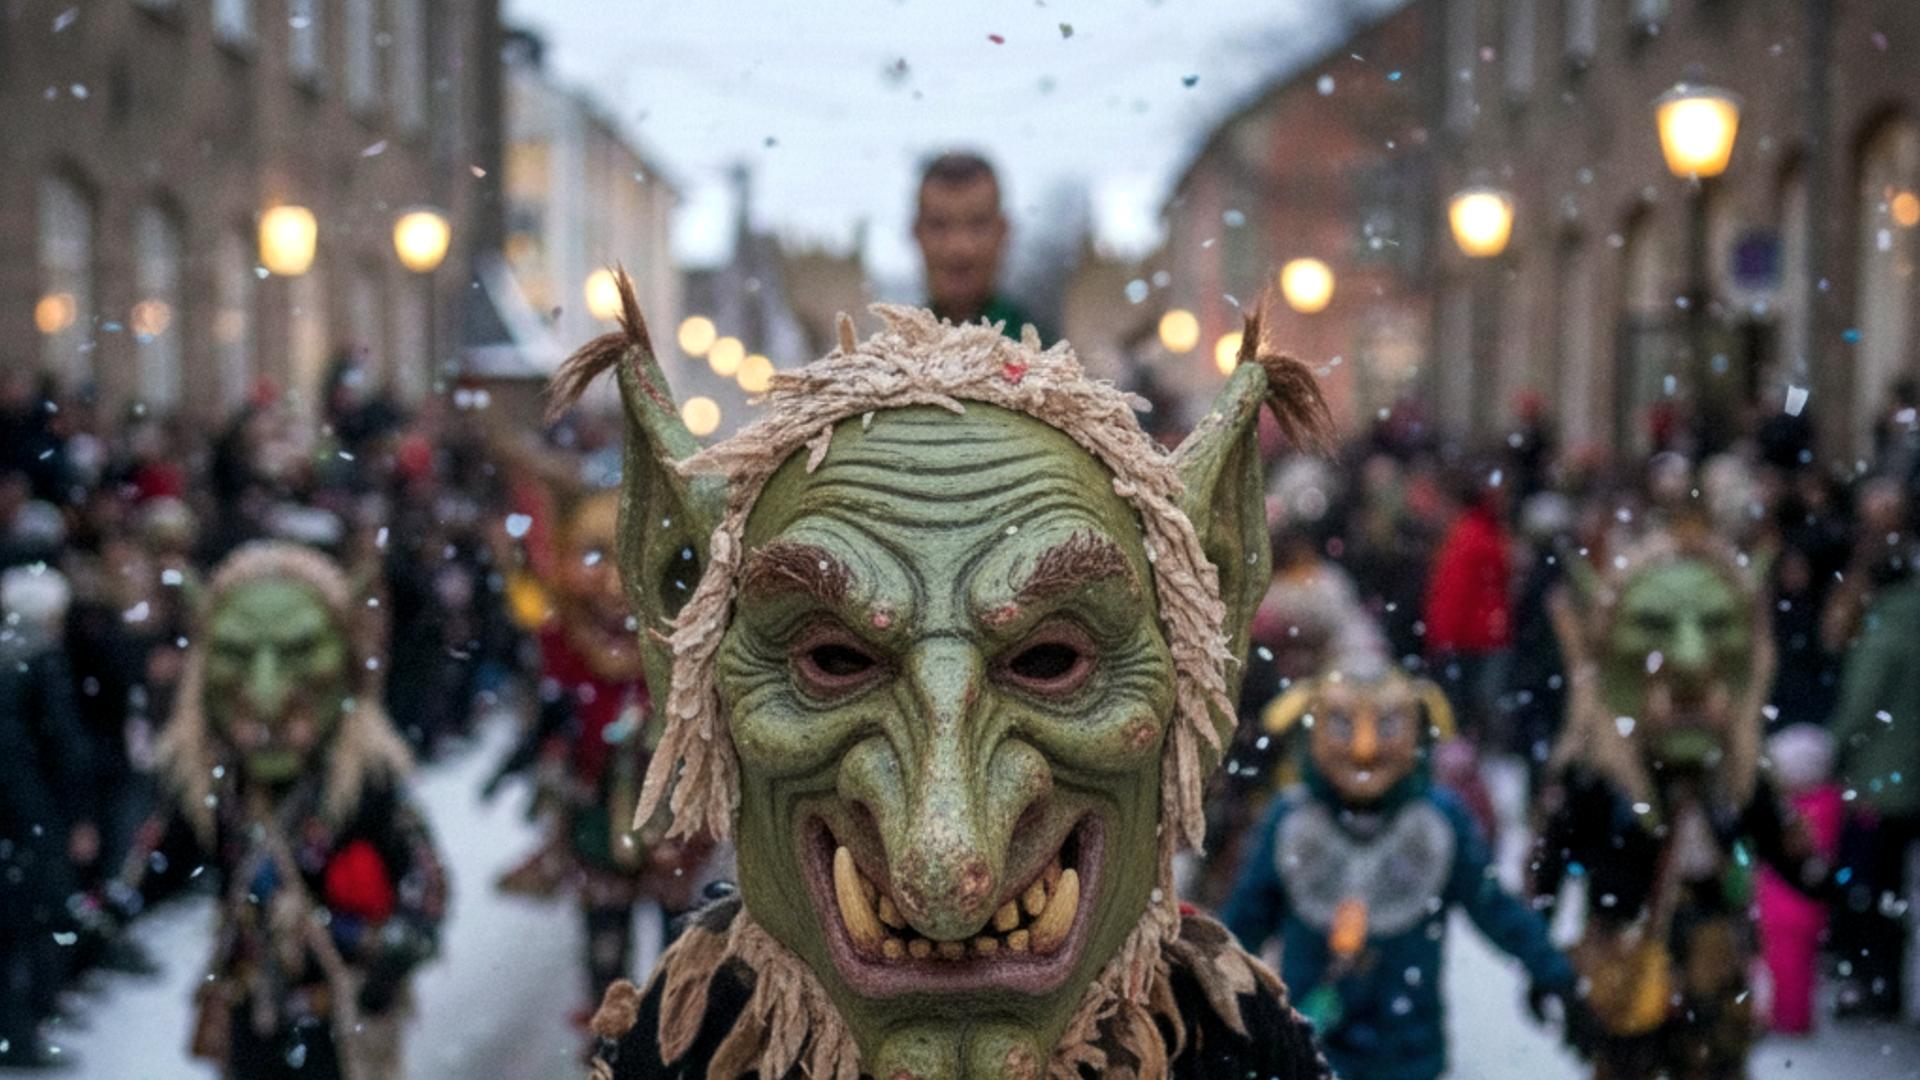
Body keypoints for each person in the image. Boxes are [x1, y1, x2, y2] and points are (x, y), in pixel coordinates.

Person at [554, 273, 1334, 1078]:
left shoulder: (1234, 1048)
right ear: (682, 646)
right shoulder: (681, 1050)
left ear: (1208, 640)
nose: (944, 871)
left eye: (1048, 661)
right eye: (837, 662)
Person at [1533, 526, 1834, 1079]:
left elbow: (1790, 855)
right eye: (1655, 627)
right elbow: (1551, 863)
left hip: (1714, 981)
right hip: (1626, 972)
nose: (1690, 658)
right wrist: (1543, 963)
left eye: (1715, 626)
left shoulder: (1737, 776)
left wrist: (1839, 884)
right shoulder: (1595, 779)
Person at [144, 543, 447, 1080]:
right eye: (238, 653)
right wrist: (103, 911)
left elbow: (426, 883)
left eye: (298, 651)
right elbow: (162, 862)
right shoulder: (218, 786)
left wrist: (393, 949)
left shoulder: (366, 781)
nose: (267, 695)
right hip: (252, 1018)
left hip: (341, 1014)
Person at [1225, 663, 1586, 1080]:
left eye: (1388, 726)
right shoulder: (1289, 820)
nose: (1364, 749)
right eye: (1342, 726)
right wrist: (1208, 991)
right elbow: (1244, 922)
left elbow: (1495, 909)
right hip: (1309, 1049)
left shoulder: (1441, 820)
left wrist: (1555, 975)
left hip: (1408, 1055)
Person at [912, 151, 1040, 336]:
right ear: (917, 232)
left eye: (978, 224)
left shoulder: (1044, 346)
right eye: (939, 225)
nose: (959, 247)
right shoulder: (889, 346)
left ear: (1003, 231)